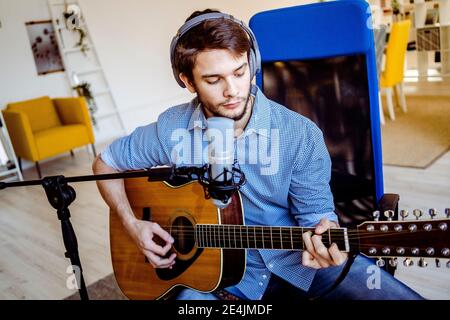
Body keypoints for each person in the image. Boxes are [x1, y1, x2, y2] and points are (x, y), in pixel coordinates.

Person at [92, 9, 423, 300]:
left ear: (252, 63)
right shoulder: (171, 129)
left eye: (239, 72)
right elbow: (106, 162)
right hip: (213, 277)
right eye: (213, 79)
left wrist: (326, 235)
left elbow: (316, 216)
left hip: (298, 265)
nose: (233, 90)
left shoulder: (300, 134)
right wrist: (132, 223)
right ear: (188, 82)